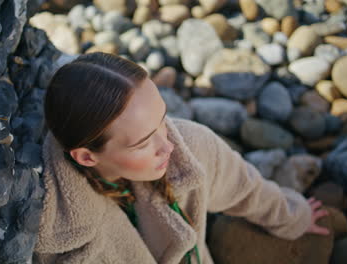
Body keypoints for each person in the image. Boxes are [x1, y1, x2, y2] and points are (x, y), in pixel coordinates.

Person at [33, 52, 330, 264]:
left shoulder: (191, 145)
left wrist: (293, 216)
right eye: (142, 143)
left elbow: (247, 188)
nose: (169, 147)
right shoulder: (59, 233)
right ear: (86, 157)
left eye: (161, 119)